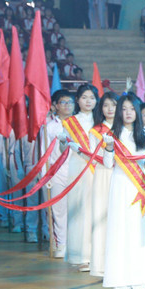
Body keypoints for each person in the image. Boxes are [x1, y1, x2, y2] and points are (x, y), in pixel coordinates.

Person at [101, 93, 145, 289]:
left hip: (140, 186)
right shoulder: (111, 134)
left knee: (139, 231)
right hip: (120, 185)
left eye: (131, 109)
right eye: (123, 109)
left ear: (137, 111)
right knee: (120, 230)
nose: (128, 113)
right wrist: (108, 148)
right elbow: (107, 164)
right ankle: (120, 280)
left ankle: (139, 279)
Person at [61, 84, 100, 271]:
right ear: (78, 100)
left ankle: (99, 254)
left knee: (98, 209)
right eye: (84, 97)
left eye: (91, 97)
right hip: (79, 169)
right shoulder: (70, 122)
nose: (88, 101)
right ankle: (82, 256)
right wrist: (63, 142)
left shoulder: (101, 121)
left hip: (100, 168)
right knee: (81, 210)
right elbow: (64, 150)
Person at [43, 90, 74, 257]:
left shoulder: (79, 126)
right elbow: (44, 153)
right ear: (55, 105)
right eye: (63, 102)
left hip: (77, 171)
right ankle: (61, 244)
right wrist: (45, 176)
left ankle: (76, 243)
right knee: (59, 210)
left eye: (70, 102)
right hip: (56, 172)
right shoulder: (50, 127)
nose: (67, 105)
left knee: (76, 210)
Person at [89, 91, 118, 276]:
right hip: (103, 175)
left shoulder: (125, 129)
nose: (109, 109)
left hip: (122, 175)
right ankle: (100, 264)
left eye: (113, 105)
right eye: (106, 105)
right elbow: (94, 156)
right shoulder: (96, 131)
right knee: (102, 217)